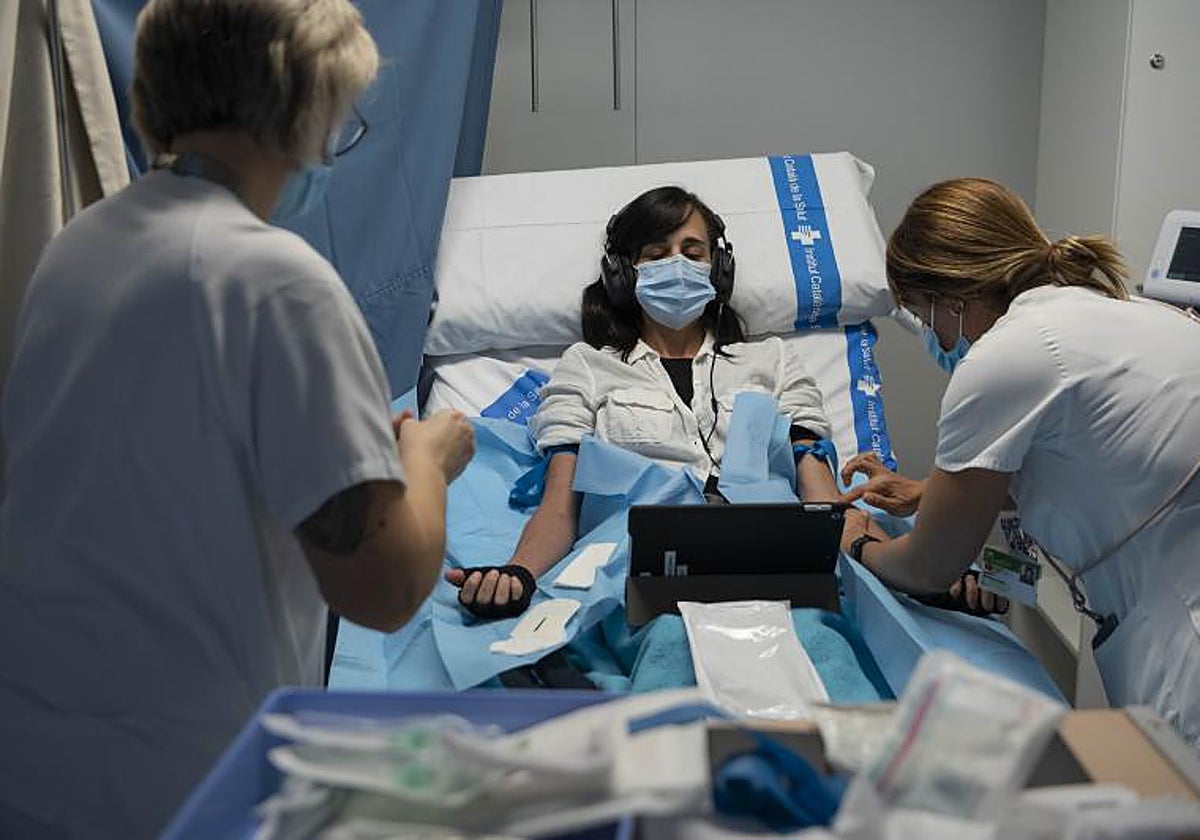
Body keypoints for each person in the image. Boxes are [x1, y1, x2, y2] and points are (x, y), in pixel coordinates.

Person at [0, 1, 473, 837]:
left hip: (36, 761)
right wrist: (427, 462)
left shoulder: (78, 250)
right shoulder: (277, 285)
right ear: (304, 103)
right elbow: (383, 588)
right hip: (182, 784)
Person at [838, 177, 1200, 745]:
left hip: (1183, 631)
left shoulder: (1005, 356)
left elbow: (929, 567)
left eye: (925, 316)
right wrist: (929, 492)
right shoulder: (1135, 313)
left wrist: (860, 544)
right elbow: (1097, 459)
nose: (936, 337)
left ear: (950, 298)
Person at [445, 186, 840, 618]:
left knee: (818, 643)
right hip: (637, 578)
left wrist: (861, 550)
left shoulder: (774, 362)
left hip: (771, 571)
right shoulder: (587, 367)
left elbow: (820, 497)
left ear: (718, 269)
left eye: (693, 252)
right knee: (667, 641)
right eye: (656, 254)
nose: (677, 264)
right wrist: (518, 574)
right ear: (624, 273)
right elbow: (559, 510)